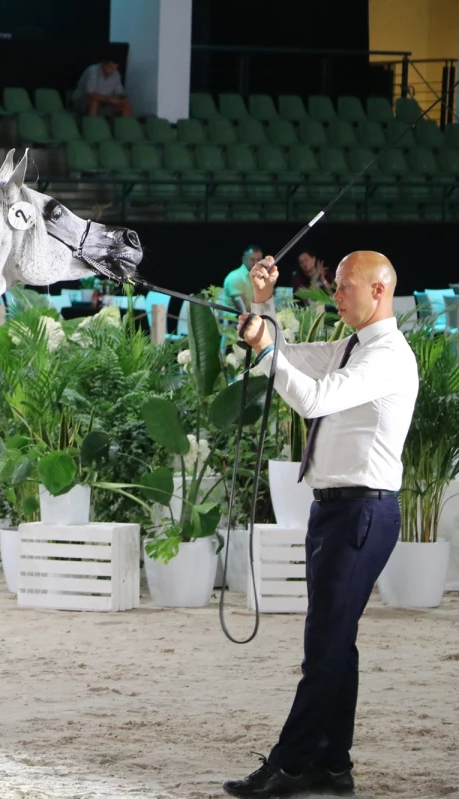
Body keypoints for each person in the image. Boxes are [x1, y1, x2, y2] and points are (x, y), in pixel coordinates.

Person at [228, 252, 418, 799]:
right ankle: (332, 765)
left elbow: (311, 397)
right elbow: (294, 356)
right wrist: (259, 309)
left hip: (362, 511)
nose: (335, 296)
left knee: (324, 648)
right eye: (334, 286)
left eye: (344, 287)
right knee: (337, 643)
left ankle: (289, 765)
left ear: (380, 291)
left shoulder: (387, 358)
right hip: (334, 508)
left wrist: (267, 346)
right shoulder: (353, 347)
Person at [223, 245, 264, 311]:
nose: (256, 263)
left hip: (254, 316)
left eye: (259, 260)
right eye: (252, 260)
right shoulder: (235, 277)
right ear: (244, 260)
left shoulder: (260, 276)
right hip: (235, 319)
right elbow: (242, 309)